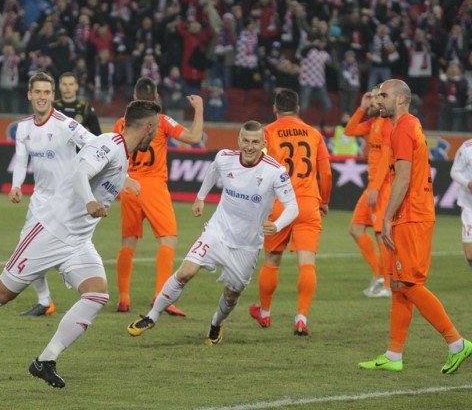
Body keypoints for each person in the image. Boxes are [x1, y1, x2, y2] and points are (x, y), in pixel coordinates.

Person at [0, 99, 161, 388]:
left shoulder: (122, 154)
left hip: (78, 241)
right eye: (157, 128)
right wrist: (90, 202)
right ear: (148, 127)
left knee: (97, 295)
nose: (157, 134)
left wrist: (125, 182)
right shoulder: (110, 143)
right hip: (50, 231)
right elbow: (80, 174)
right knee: (1, 294)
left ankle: (45, 360)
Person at [127, 121, 298, 344]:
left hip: (246, 245)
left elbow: (293, 206)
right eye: (245, 140)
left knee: (232, 294)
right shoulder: (224, 157)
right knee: (185, 272)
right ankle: (152, 316)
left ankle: (216, 323)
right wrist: (201, 197)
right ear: (239, 141)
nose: (249, 146)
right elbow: (213, 171)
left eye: (255, 142)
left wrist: (277, 225)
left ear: (264, 144)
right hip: (217, 231)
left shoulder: (275, 171)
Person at [359, 79, 472, 374]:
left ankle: (457, 343)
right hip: (412, 213)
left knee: (409, 283)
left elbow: (404, 177)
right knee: (397, 284)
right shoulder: (409, 125)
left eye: (383, 95)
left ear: (400, 100)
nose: (377, 100)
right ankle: (393, 355)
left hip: (411, 215)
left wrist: (385, 217)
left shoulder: (403, 128)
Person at [114, 77, 204, 315]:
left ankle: (123, 298)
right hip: (153, 186)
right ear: (156, 99)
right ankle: (161, 296)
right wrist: (199, 109)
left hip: (128, 185)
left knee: (128, 243)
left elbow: (115, 156)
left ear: (134, 99)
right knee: (168, 240)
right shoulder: (161, 121)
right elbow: (194, 138)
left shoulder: (122, 122)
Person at [248, 88, 332, 336]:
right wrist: (324, 200)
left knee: (272, 261)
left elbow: (255, 167)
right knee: (307, 263)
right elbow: (325, 173)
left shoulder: (267, 133)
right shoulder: (314, 134)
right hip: (307, 203)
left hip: (279, 204)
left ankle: (264, 314)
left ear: (275, 109)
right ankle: (301, 318)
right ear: (298, 109)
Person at [20, 72, 102, 318]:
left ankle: (91, 291)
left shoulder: (73, 118)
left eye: (47, 92)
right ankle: (45, 301)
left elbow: (97, 141)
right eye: (38, 92)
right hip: (41, 198)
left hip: (67, 197)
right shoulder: (28, 126)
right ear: (30, 94)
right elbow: (22, 158)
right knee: (28, 244)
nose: (42, 97)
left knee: (69, 247)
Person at [344, 87, 393, 297]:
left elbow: (386, 159)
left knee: (381, 235)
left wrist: (375, 188)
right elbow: (349, 131)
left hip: (382, 187)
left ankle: (389, 286)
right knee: (355, 228)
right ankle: (379, 275)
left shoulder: (387, 124)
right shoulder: (373, 122)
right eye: (370, 98)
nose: (371, 102)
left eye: (374, 99)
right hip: (373, 185)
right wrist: (361, 108)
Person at [52, 72, 102, 136]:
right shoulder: (52, 106)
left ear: (76, 86)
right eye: (64, 84)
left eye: (71, 84)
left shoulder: (85, 107)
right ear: (59, 86)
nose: (67, 88)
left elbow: (97, 134)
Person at [450, 138, 472, 266]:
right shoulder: (467, 147)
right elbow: (454, 171)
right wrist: (467, 183)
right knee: (470, 256)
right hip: (469, 206)